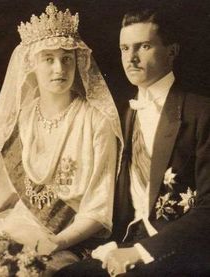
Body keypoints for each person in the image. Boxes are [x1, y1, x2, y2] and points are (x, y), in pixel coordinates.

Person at [55, 4, 210, 277]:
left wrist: (140, 252)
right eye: (125, 49)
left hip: (178, 251)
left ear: (172, 51)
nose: (131, 58)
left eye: (144, 47)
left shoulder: (201, 113)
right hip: (126, 239)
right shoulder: (121, 113)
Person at [0, 2, 123, 274]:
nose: (59, 69)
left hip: (65, 243)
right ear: (32, 64)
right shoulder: (22, 119)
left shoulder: (96, 121)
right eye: (49, 59)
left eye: (66, 58)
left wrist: (55, 242)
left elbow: (97, 210)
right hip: (9, 230)